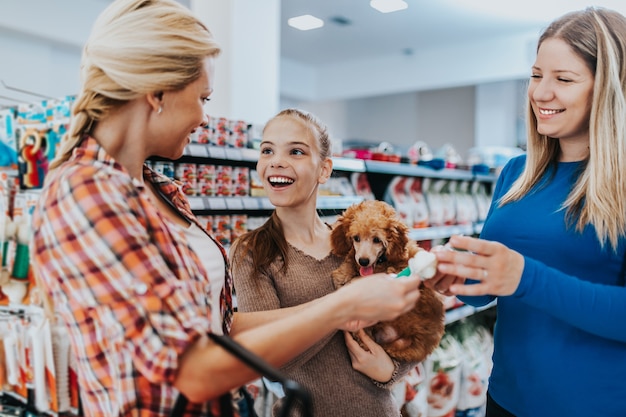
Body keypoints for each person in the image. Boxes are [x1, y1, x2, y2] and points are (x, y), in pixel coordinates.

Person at [29, 1, 423, 416]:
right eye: (202, 97)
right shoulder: (88, 192)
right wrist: (344, 306)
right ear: (157, 92)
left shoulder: (158, 189)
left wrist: (356, 299)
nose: (204, 117)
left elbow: (218, 328)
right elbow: (193, 370)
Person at [424, 7, 626, 417]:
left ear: (608, 87)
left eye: (563, 79)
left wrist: (523, 276)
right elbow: (494, 283)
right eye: (536, 76)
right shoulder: (517, 174)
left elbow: (522, 278)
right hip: (504, 400)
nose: (540, 93)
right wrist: (461, 276)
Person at [230, 108, 418, 417]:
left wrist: (390, 369)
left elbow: (411, 324)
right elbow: (269, 358)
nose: (276, 161)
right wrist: (345, 305)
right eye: (267, 150)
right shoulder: (252, 252)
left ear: (324, 169)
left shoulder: (355, 244)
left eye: (296, 151)